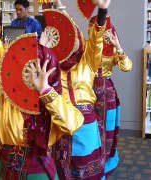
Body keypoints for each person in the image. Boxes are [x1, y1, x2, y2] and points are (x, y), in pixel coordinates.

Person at [0, 0, 85, 178]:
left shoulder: (55, 99)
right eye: (27, 69)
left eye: (38, 71)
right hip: (7, 168)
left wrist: (45, 90)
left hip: (38, 172)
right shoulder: (5, 95)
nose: (31, 77)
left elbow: (73, 123)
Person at [52, 0, 111, 179]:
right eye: (66, 39)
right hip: (62, 123)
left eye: (74, 38)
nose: (71, 43)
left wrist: (102, 11)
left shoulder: (88, 61)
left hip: (86, 124)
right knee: (63, 167)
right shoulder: (55, 65)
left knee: (88, 168)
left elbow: (96, 40)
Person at [89, 16, 132, 178]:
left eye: (93, 28)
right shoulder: (87, 47)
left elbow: (127, 67)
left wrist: (118, 46)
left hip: (106, 91)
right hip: (88, 90)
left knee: (107, 128)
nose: (90, 31)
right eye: (90, 28)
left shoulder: (111, 48)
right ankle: (91, 159)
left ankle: (105, 160)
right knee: (91, 128)